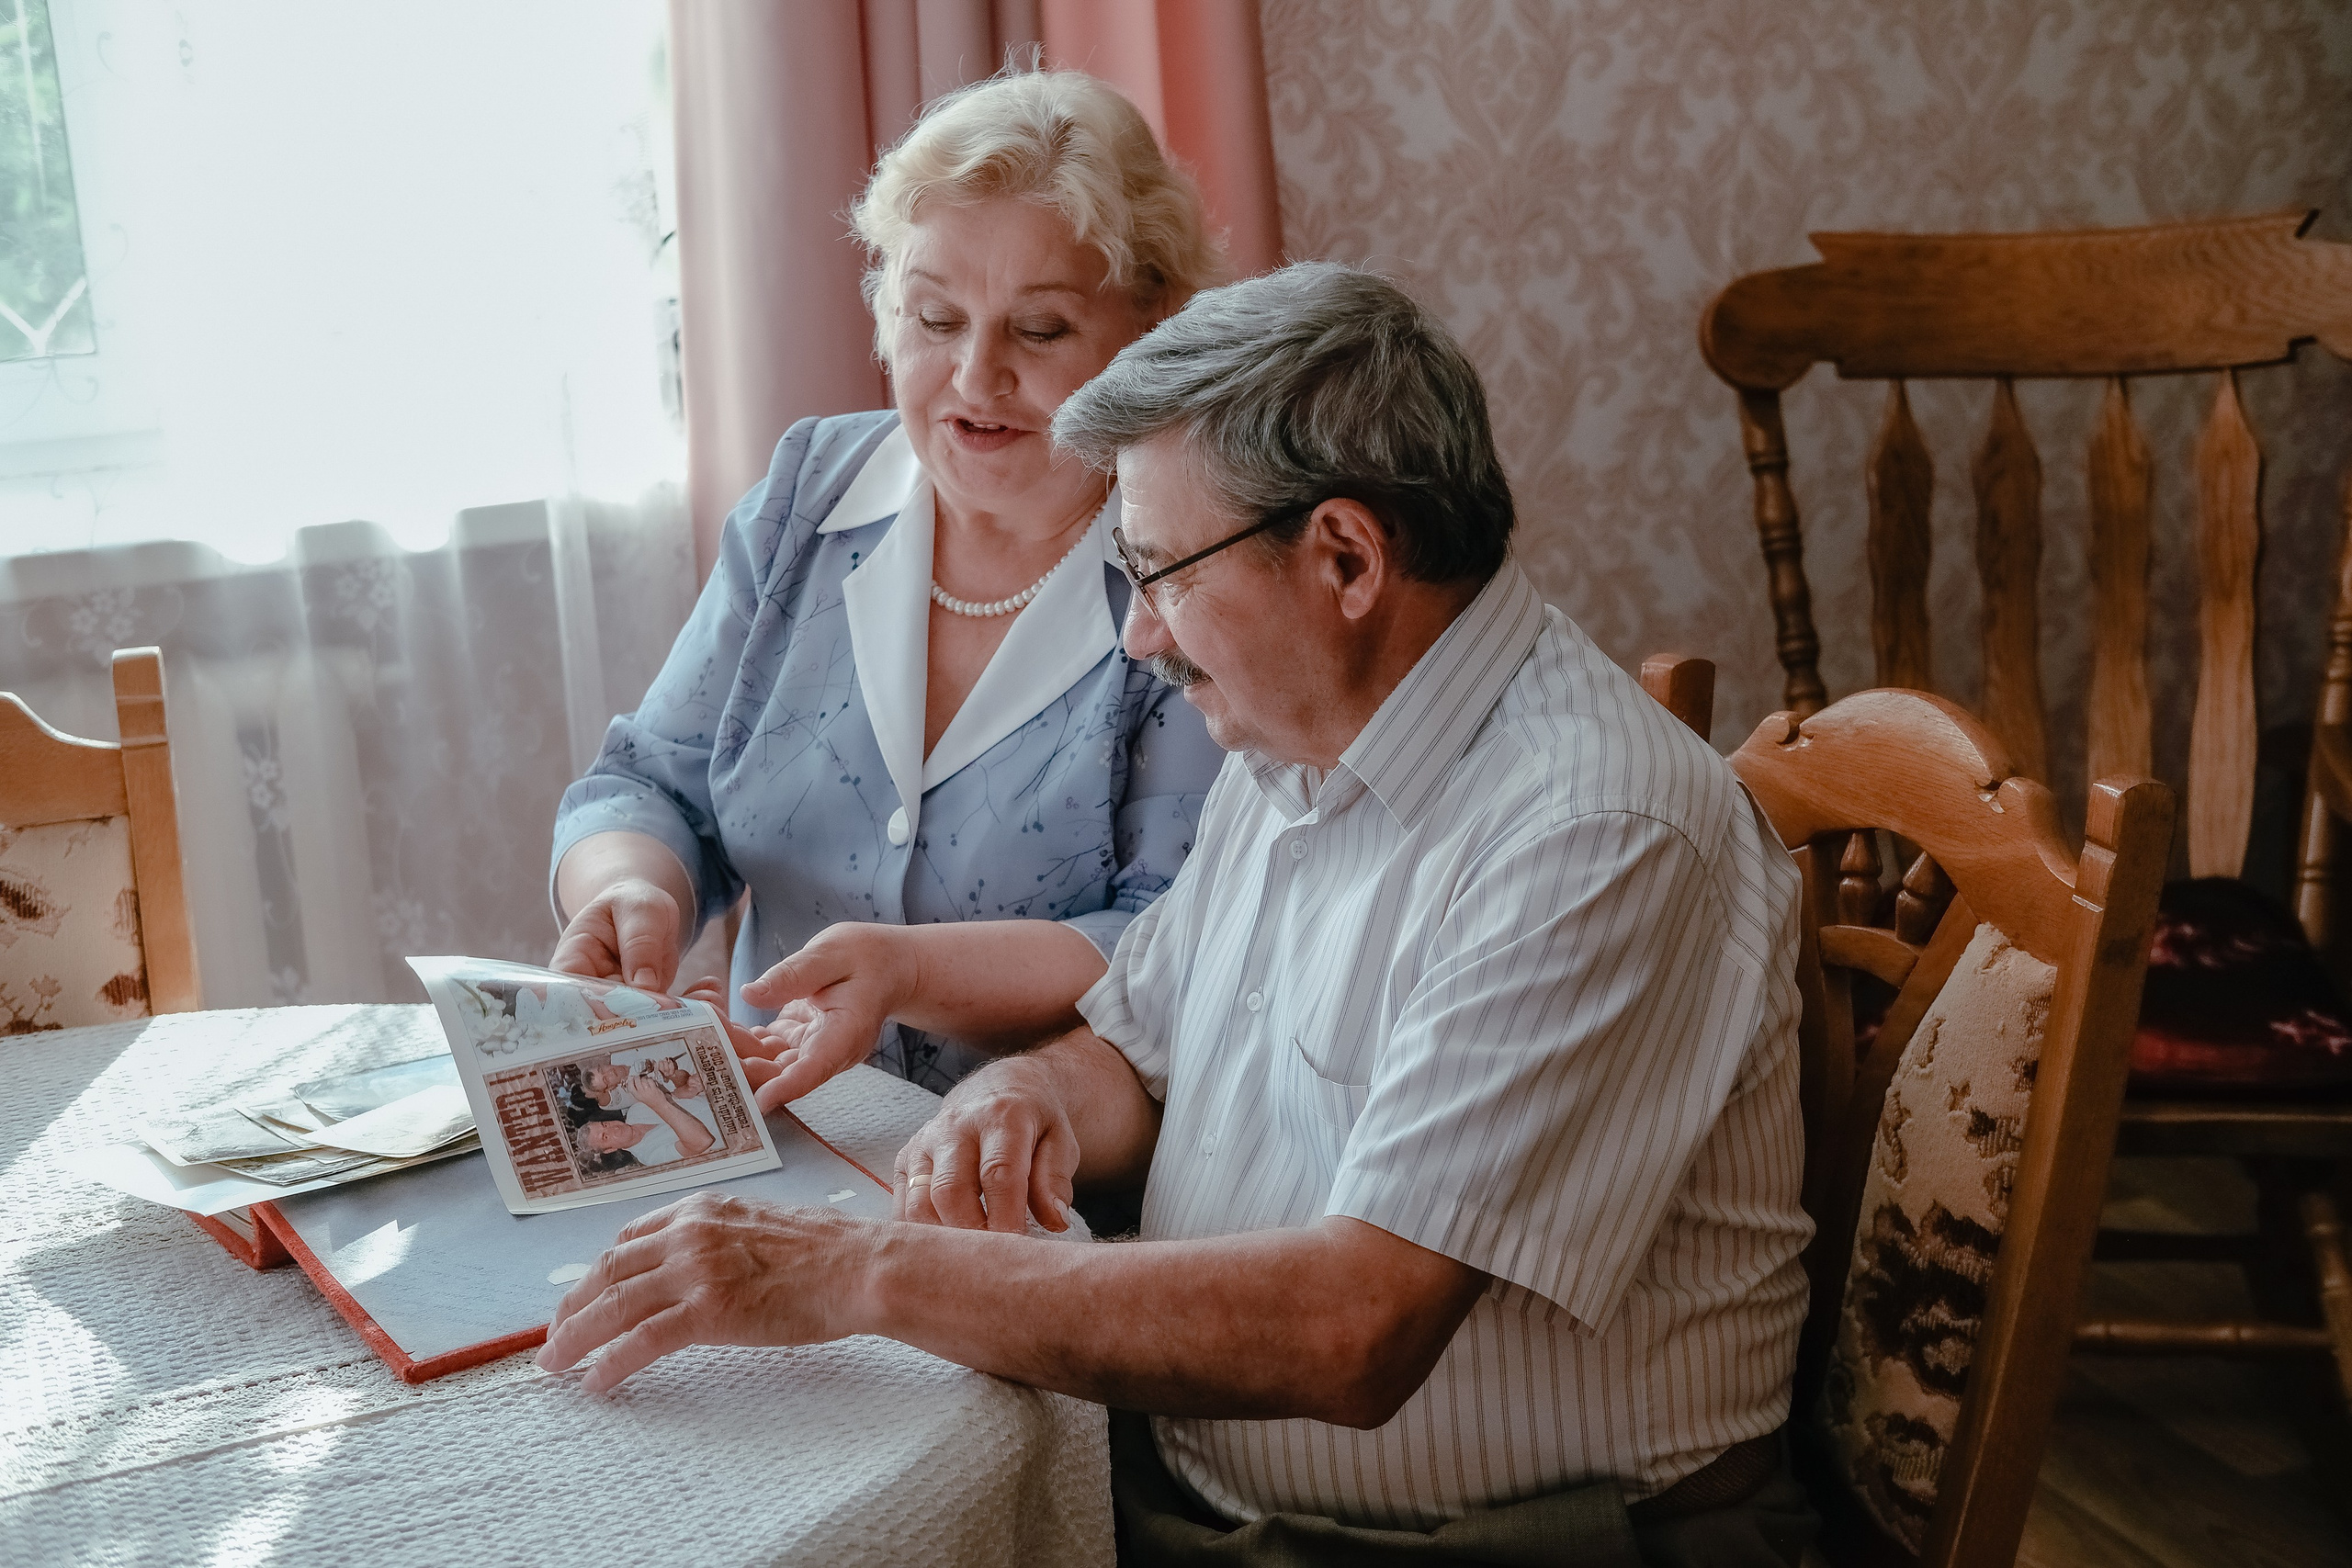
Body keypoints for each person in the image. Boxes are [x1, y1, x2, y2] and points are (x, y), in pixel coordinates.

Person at [538, 264, 1815, 1566]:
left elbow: (1353, 1326)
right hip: (1205, 1484)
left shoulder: (1589, 828)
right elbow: (1140, 1044)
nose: (1140, 634)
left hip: (1509, 1541)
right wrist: (1025, 1095)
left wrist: (854, 1272)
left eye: (1158, 572)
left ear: (1345, 557)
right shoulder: (1298, 730)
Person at [547, 67, 1227, 1095]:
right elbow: (649, 784)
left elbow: (1170, 936)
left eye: (1039, 330)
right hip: (773, 1138)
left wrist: (908, 971)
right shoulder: (805, 499)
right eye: (935, 320)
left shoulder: (1195, 572)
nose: (975, 377)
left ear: (1151, 330)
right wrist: (629, 890)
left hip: (1022, 1178)